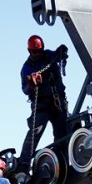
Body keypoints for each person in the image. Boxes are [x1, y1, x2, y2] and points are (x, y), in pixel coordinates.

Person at [18, 35, 69, 170]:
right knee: (35, 132)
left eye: (39, 51)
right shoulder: (27, 68)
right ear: (29, 51)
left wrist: (61, 52)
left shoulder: (48, 56)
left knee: (62, 133)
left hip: (57, 103)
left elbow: (57, 56)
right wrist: (31, 84)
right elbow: (25, 89)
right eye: (34, 52)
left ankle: (60, 163)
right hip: (41, 106)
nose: (37, 54)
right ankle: (24, 164)